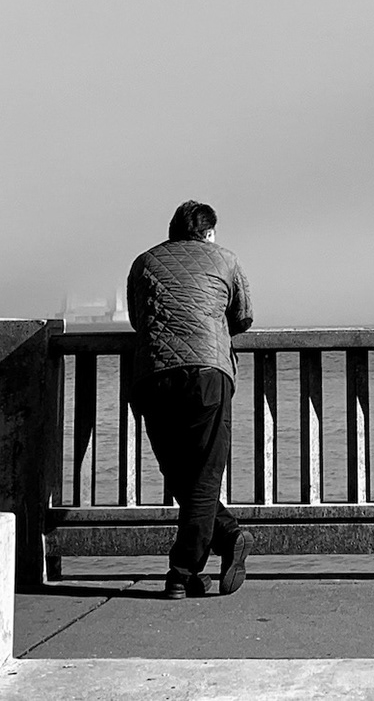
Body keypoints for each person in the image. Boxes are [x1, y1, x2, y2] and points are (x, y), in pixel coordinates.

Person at [125, 199, 254, 598]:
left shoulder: (144, 263)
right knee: (203, 475)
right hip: (207, 374)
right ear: (209, 233)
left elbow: (136, 318)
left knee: (180, 473)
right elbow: (244, 317)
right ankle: (183, 572)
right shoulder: (225, 260)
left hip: (155, 375)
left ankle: (225, 541)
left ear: (172, 230)